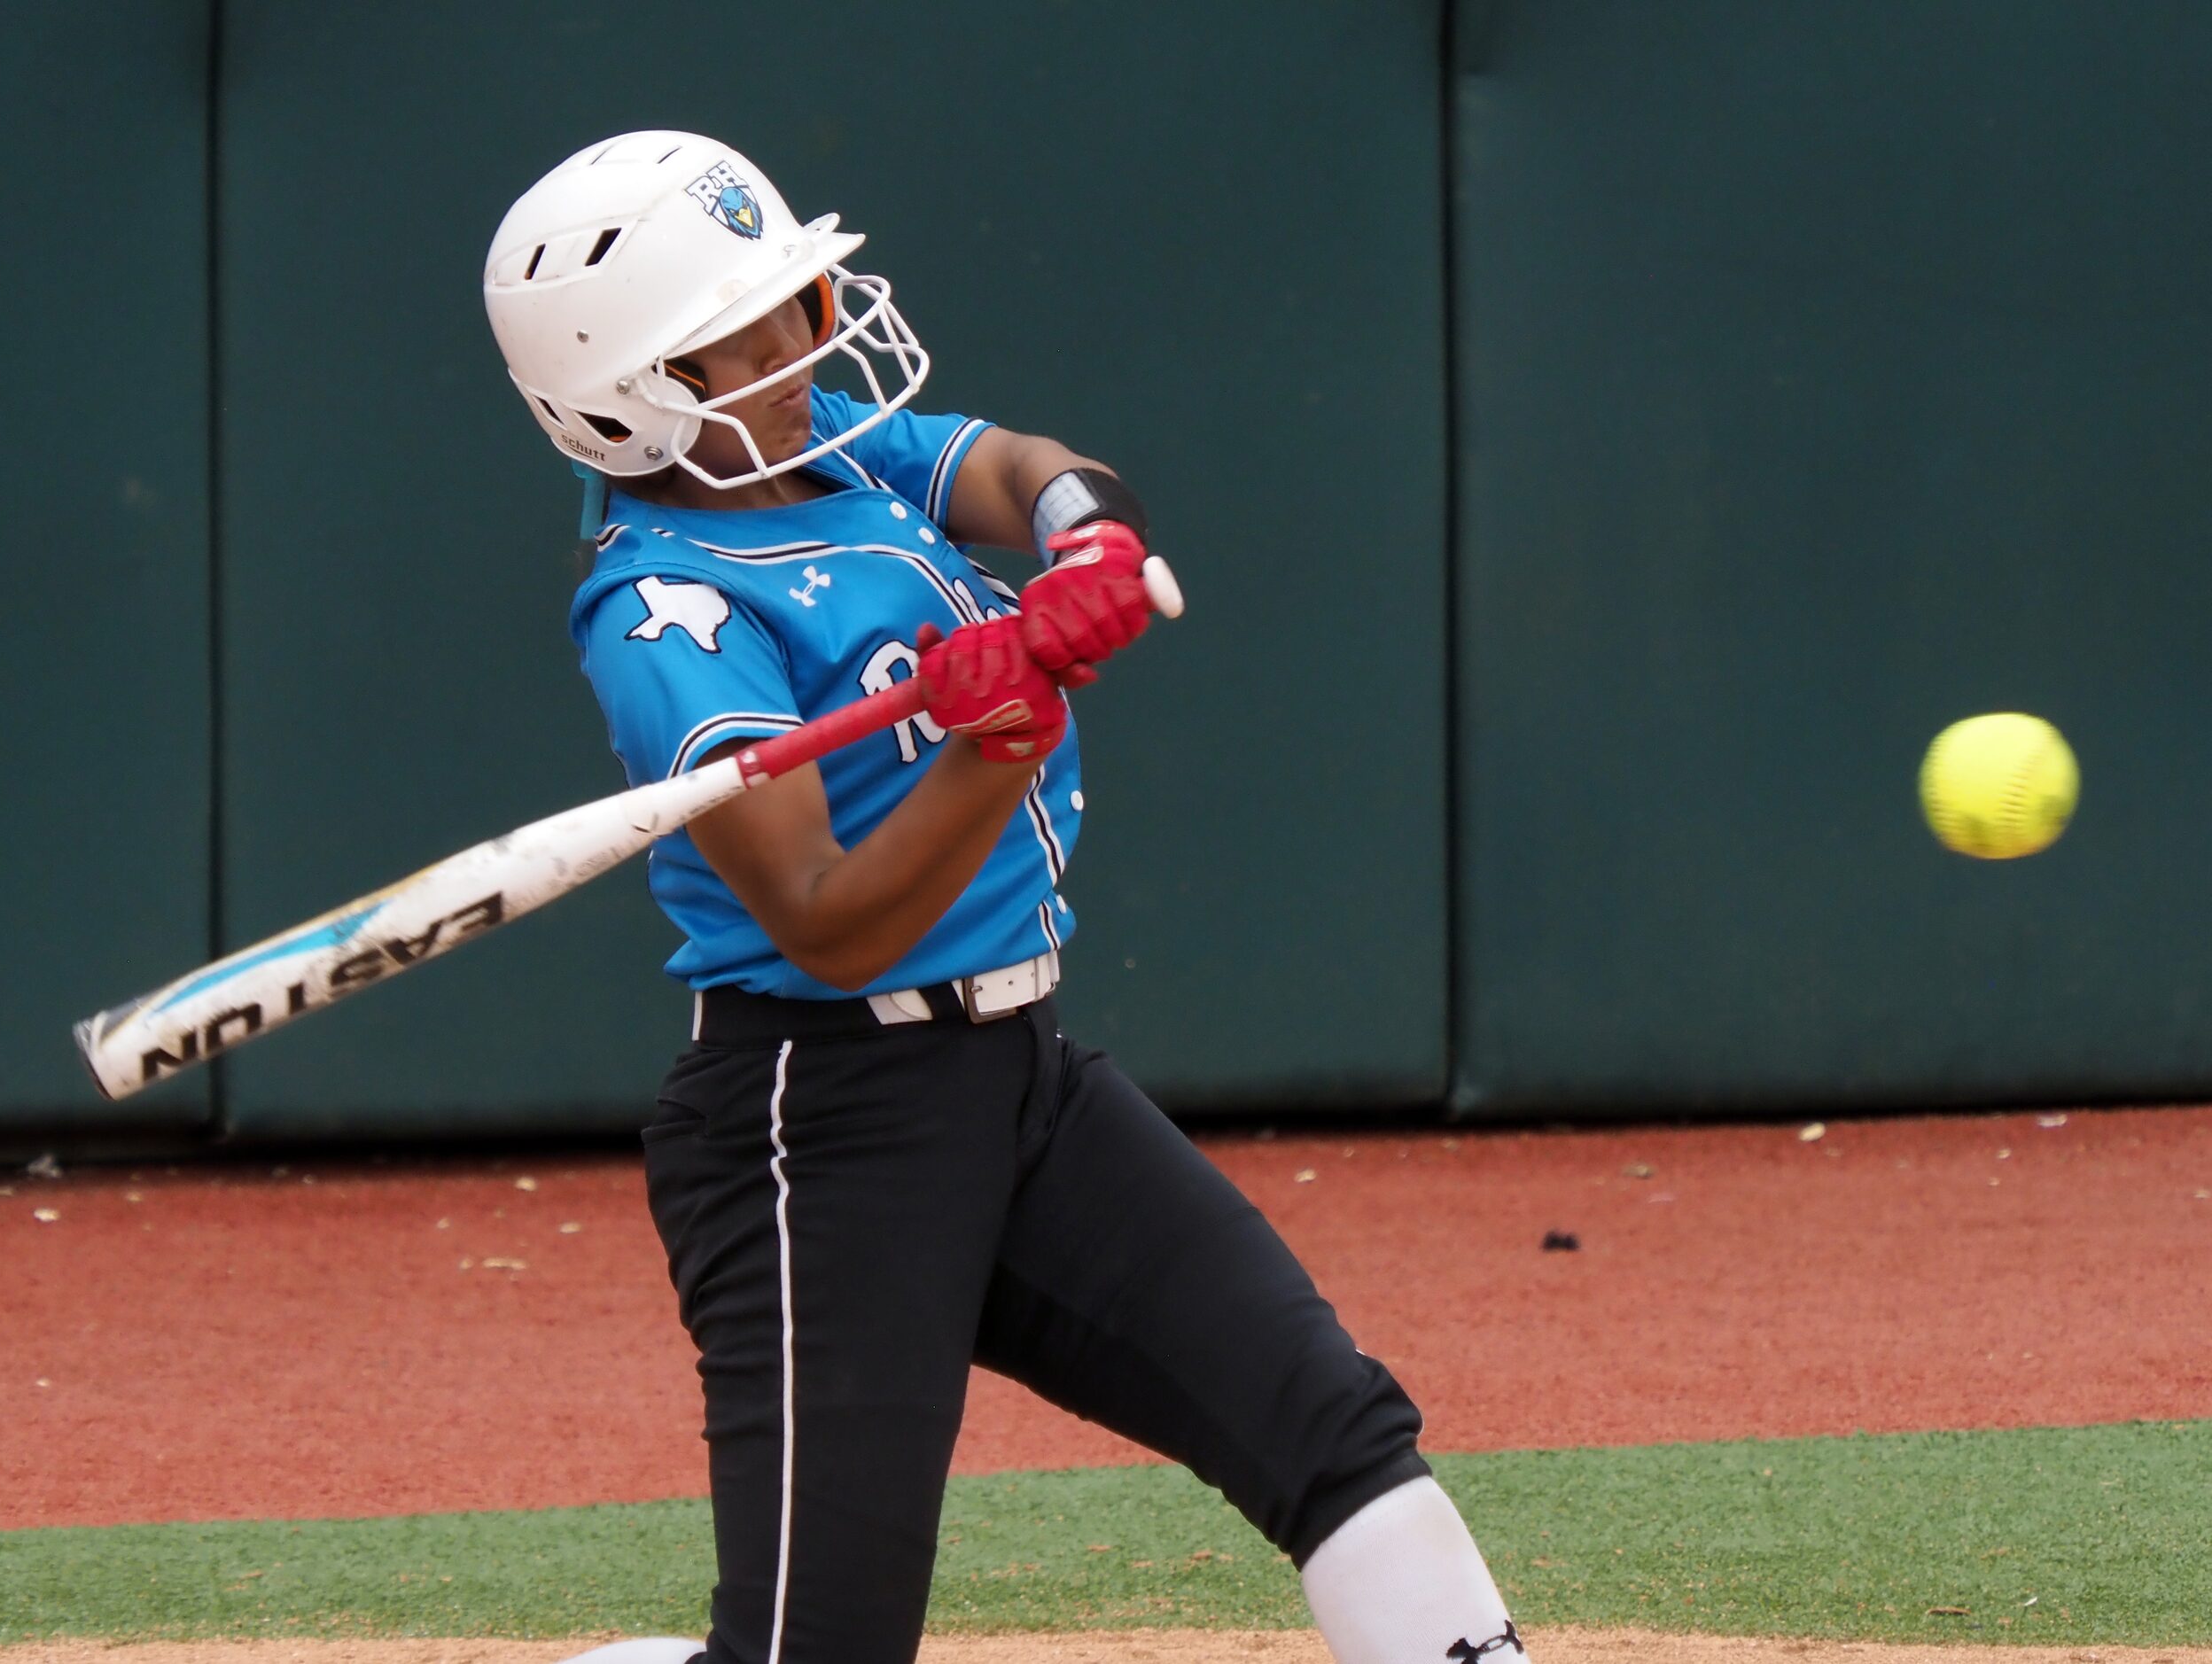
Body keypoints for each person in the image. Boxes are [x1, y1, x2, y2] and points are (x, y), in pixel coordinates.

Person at [482, 130, 1530, 1664]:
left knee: (1328, 1424)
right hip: (820, 1131)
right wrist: (994, 736)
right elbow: (831, 922)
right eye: (759, 322)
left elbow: (1031, 470)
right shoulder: (667, 613)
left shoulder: (834, 444)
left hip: (1023, 1082)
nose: (815, 326)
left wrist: (1080, 544)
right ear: (649, 398)